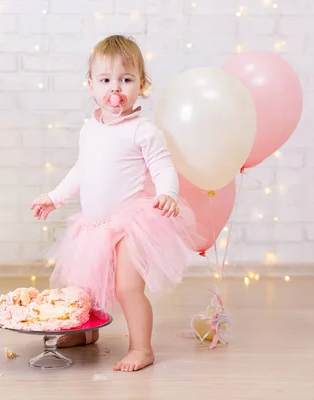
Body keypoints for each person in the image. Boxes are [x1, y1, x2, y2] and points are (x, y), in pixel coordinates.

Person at [30, 35, 198, 372]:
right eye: (105, 80)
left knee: (127, 286)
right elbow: (82, 170)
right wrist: (54, 197)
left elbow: (163, 166)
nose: (115, 88)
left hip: (131, 223)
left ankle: (141, 347)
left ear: (142, 85)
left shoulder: (143, 131)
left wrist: (168, 192)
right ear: (90, 85)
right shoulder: (90, 129)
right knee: (84, 284)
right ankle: (86, 333)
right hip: (94, 224)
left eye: (126, 79)